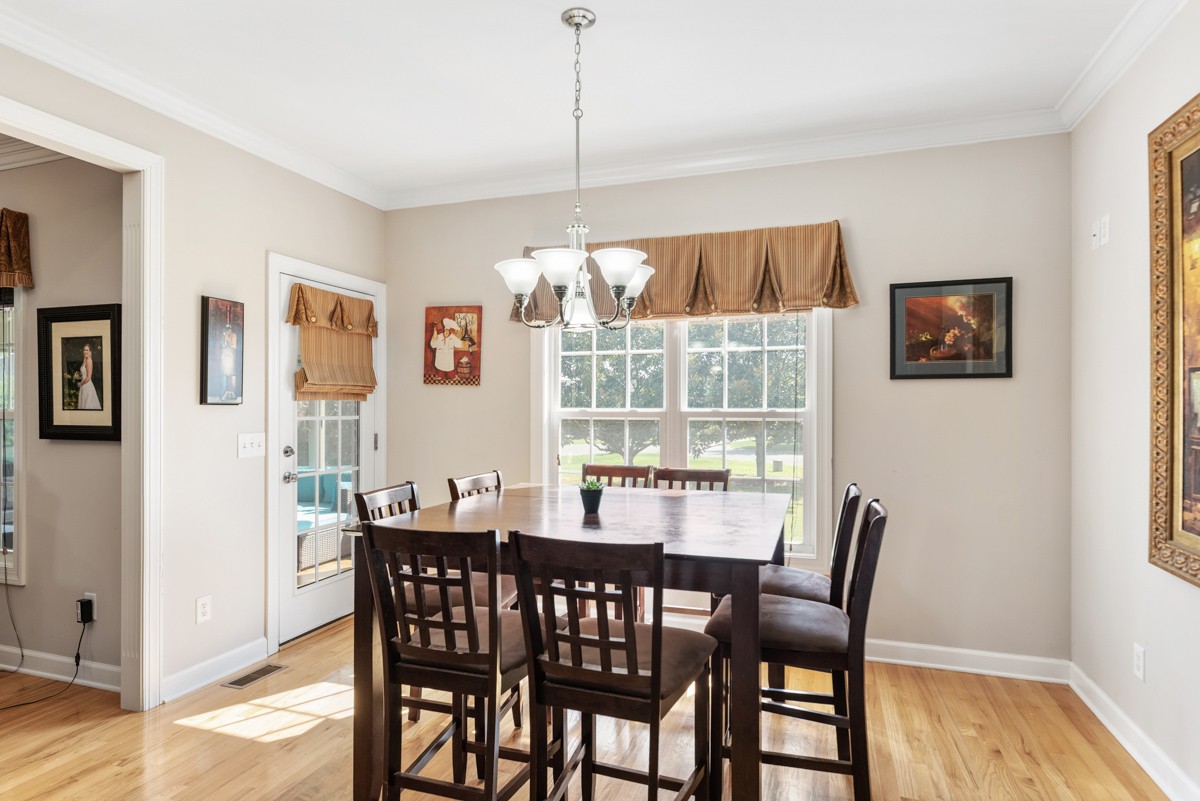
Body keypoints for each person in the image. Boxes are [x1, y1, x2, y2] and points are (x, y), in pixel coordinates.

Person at [77, 342, 101, 410]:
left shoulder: (89, 361)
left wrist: (80, 383)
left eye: (87, 350)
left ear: (90, 352)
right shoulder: (85, 360)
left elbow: (88, 377)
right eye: (84, 350)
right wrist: (78, 375)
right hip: (84, 386)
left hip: (87, 386)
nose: (85, 352)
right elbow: (84, 373)